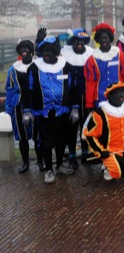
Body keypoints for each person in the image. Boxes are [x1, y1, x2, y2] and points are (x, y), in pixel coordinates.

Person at [23, 36, 78, 184]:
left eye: (50, 51)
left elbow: (73, 89)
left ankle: (59, 165)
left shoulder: (66, 66)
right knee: (46, 141)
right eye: (44, 51)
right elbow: (27, 90)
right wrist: (27, 111)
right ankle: (49, 170)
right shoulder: (34, 68)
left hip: (62, 110)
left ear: (55, 51)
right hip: (43, 111)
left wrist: (75, 108)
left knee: (61, 140)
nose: (46, 54)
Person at [83, 82, 124, 181]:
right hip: (110, 151)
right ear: (110, 95)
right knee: (121, 171)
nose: (122, 95)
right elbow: (89, 135)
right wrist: (101, 151)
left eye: (123, 92)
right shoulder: (100, 113)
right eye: (118, 92)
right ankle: (107, 166)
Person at [5, 40, 41, 173]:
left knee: (38, 135)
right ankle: (25, 163)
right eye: (22, 48)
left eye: (27, 48)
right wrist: (9, 108)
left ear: (32, 51)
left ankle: (41, 161)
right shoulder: (13, 69)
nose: (24, 50)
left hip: (36, 105)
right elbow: (9, 89)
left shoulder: (38, 66)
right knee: (22, 136)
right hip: (18, 106)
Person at [61, 28, 93, 167]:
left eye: (81, 41)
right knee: (71, 128)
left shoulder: (90, 56)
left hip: (87, 96)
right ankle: (72, 156)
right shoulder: (66, 57)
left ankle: (85, 153)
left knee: (86, 125)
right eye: (76, 41)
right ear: (72, 42)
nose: (79, 43)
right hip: (71, 96)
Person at [85, 23, 124, 109]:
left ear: (110, 38)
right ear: (97, 40)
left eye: (105, 38)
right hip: (101, 98)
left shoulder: (119, 54)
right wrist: (89, 103)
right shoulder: (92, 59)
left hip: (119, 98)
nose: (103, 41)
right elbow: (90, 82)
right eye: (101, 38)